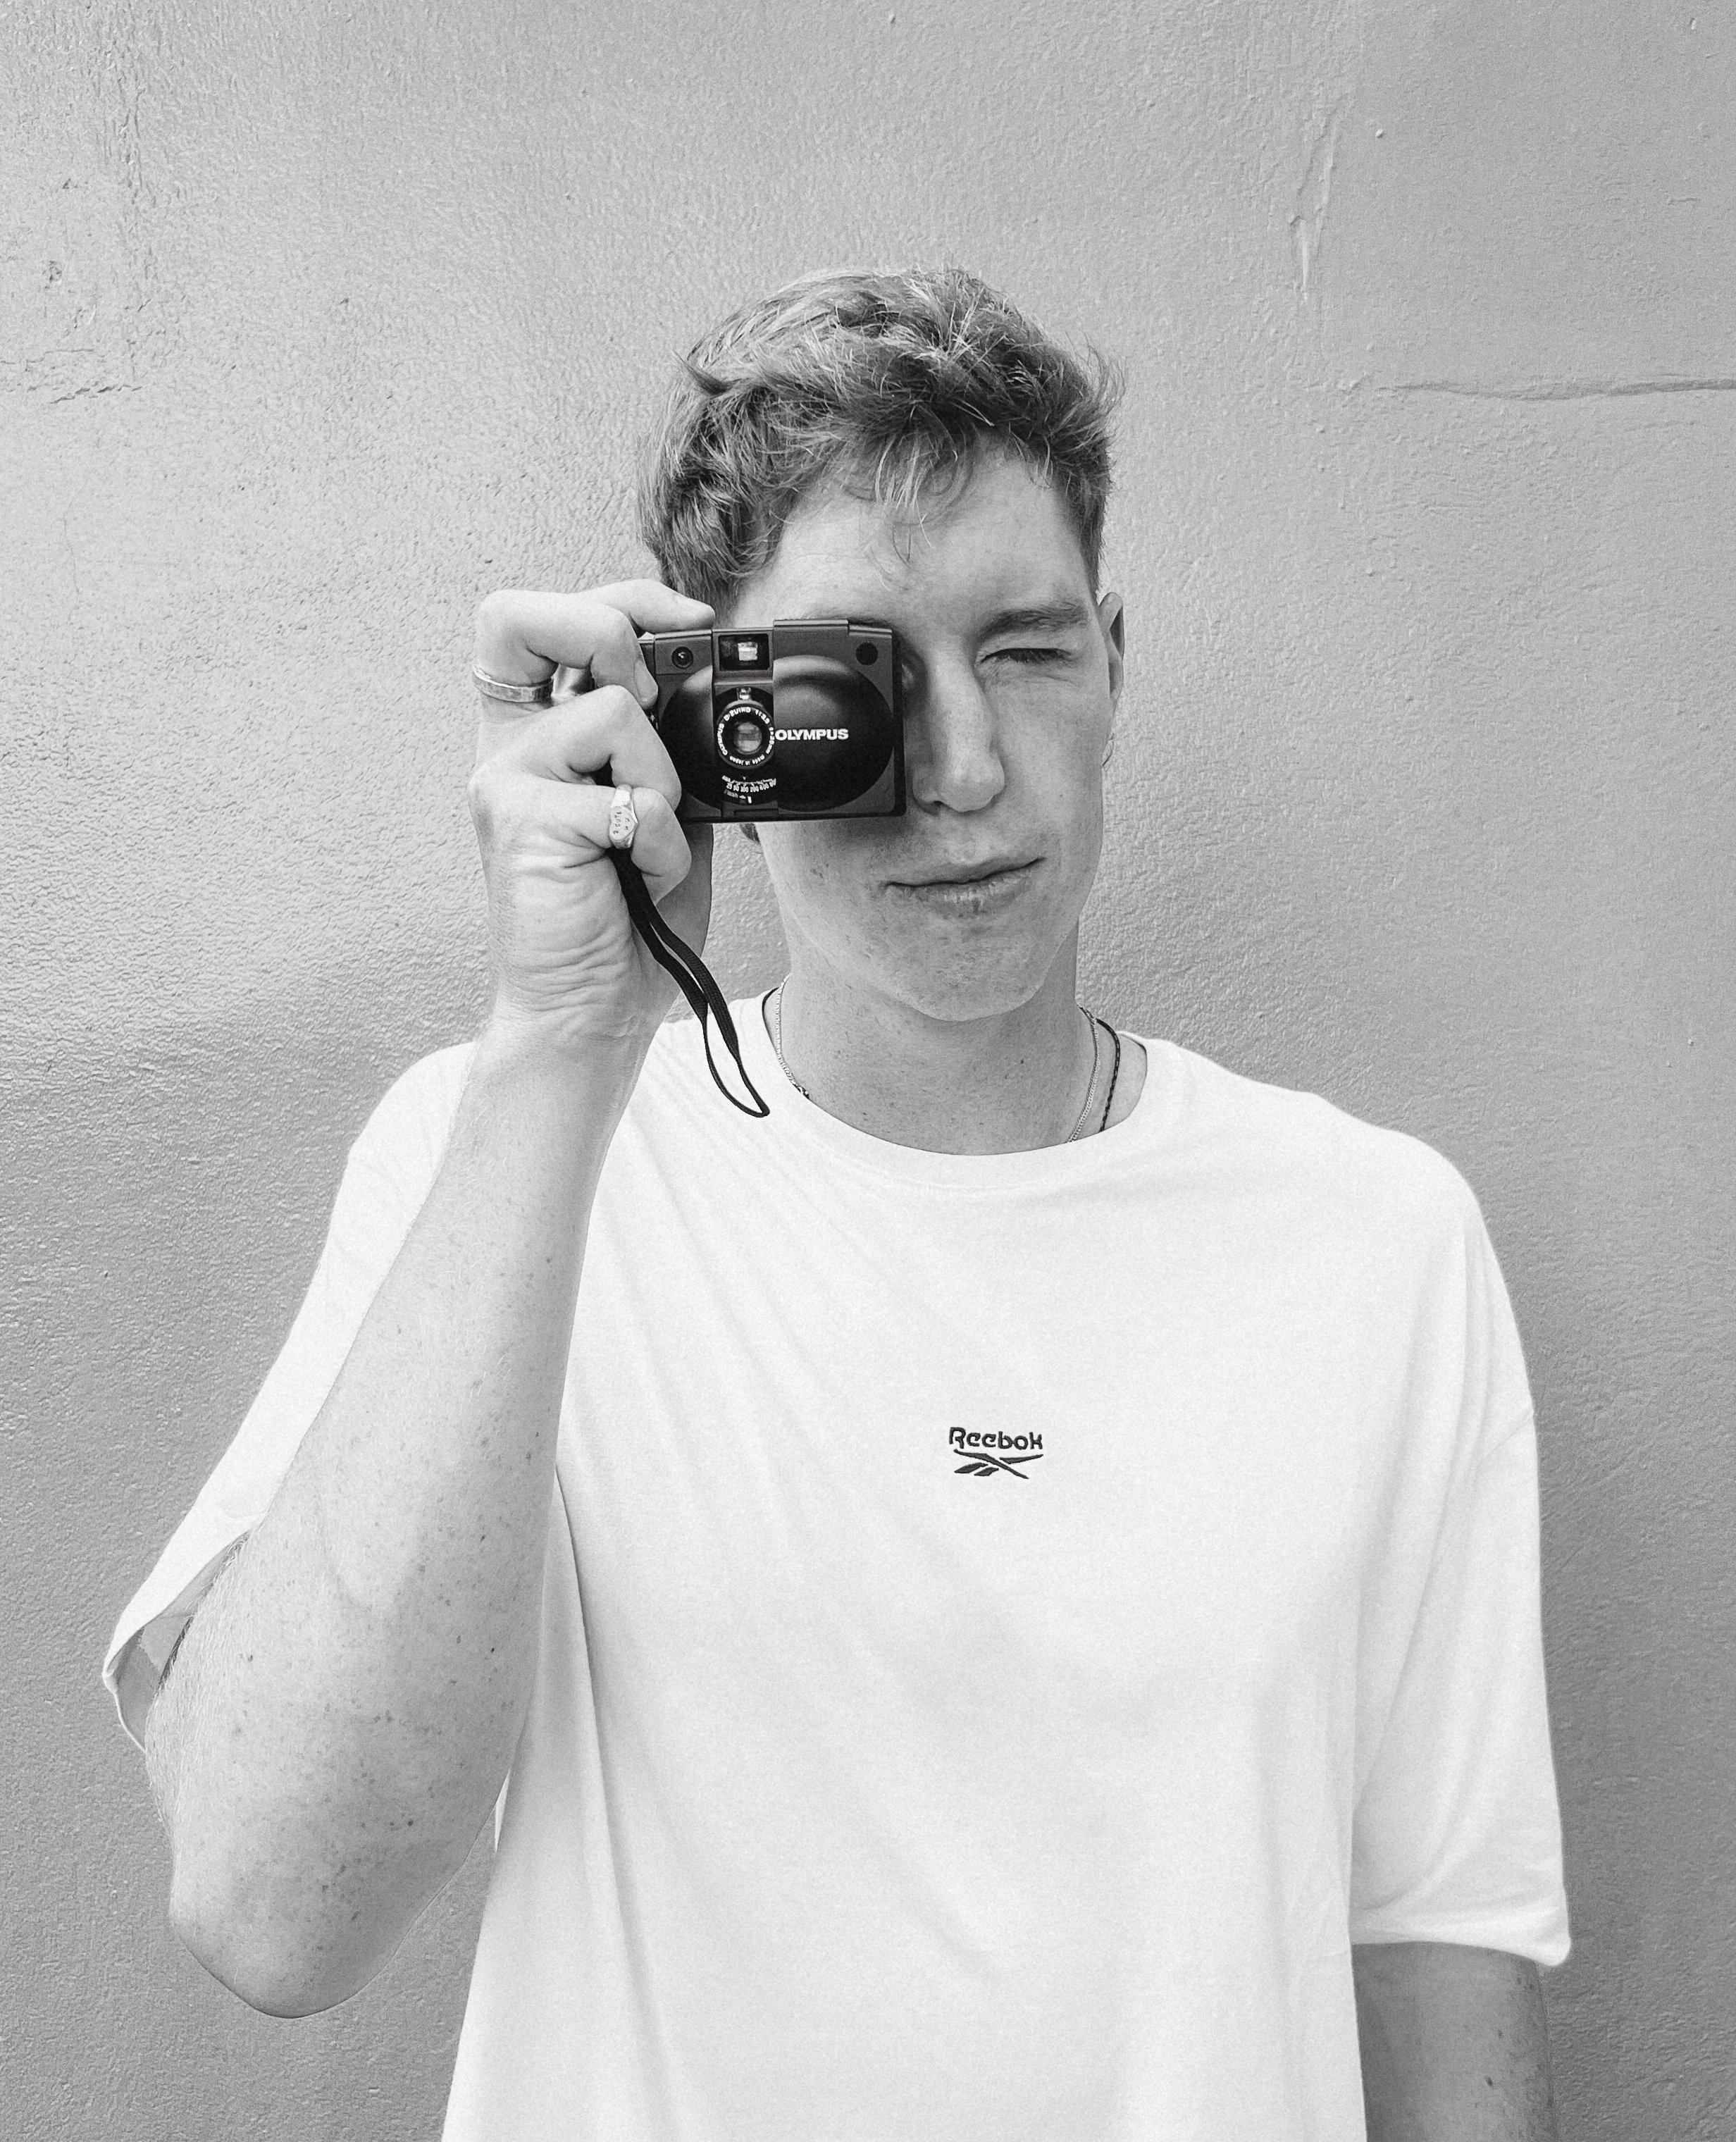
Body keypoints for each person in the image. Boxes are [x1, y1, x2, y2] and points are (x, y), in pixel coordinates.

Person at [105, 267, 1570, 2141]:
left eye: (1027, 649)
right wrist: (562, 1038)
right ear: (707, 719)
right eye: (848, 683)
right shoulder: (502, 1164)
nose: (959, 773)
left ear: (1118, 664)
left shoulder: (1376, 1241)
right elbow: (267, 1905)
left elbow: (1447, 1967)